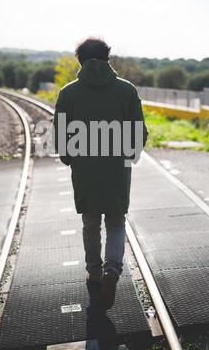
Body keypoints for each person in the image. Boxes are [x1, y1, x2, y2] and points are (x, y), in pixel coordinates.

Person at [53, 38, 148, 310]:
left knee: (90, 223)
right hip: (117, 167)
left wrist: (69, 157)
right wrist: (130, 154)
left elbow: (60, 136)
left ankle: (94, 274)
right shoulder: (127, 90)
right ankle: (112, 272)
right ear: (108, 58)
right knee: (116, 223)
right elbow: (139, 132)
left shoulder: (68, 93)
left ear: (79, 60)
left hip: (85, 169)